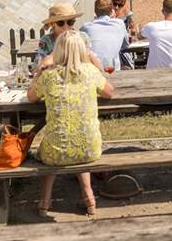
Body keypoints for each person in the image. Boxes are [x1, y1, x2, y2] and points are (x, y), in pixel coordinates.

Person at [29, 31, 114, 216]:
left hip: (56, 150)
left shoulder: (50, 76)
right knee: (78, 137)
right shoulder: (90, 72)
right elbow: (109, 92)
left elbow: (31, 97)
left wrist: (38, 74)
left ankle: (44, 202)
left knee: (55, 143)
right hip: (90, 149)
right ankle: (89, 198)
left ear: (58, 51)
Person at [36, 1, 100, 70]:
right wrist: (56, 52)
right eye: (60, 23)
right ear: (52, 24)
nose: (66, 27)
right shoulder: (46, 41)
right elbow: (38, 68)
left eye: (70, 22)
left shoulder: (82, 37)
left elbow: (98, 67)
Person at [80, 0, 129, 73]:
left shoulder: (85, 27)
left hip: (93, 72)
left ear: (95, 12)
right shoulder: (120, 23)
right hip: (113, 72)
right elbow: (125, 45)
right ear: (111, 11)